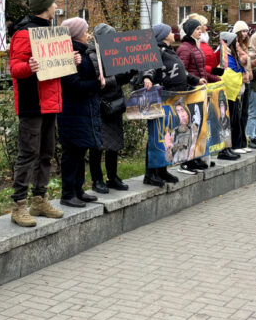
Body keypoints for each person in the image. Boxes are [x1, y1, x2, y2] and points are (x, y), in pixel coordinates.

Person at [7, 0, 68, 227]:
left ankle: (40, 199)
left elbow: (56, 68)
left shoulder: (50, 32)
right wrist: (29, 67)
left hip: (50, 103)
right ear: (45, 6)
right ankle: (19, 204)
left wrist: (70, 60)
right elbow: (14, 68)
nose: (56, 7)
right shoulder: (23, 33)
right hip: (32, 102)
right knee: (28, 154)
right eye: (53, 4)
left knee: (47, 153)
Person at [141, 23, 201, 187]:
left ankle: (162, 169)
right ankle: (150, 173)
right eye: (169, 31)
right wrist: (147, 78)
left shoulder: (169, 51)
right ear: (162, 35)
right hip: (163, 98)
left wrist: (195, 80)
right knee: (158, 135)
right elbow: (149, 66)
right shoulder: (157, 51)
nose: (172, 33)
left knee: (168, 135)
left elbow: (182, 71)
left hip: (174, 99)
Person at [57, 18, 102, 208]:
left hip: (82, 110)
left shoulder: (81, 53)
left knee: (80, 150)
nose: (88, 34)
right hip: (72, 111)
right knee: (72, 153)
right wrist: (97, 84)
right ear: (76, 34)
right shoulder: (69, 54)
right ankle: (68, 194)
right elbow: (73, 85)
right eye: (85, 31)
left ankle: (78, 190)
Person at [86, 23, 131, 192]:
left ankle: (113, 177)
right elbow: (100, 81)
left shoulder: (113, 53)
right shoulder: (92, 55)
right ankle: (97, 180)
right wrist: (118, 78)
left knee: (115, 144)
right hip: (101, 105)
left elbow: (120, 78)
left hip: (114, 104)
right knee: (97, 145)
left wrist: (129, 72)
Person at [176, 16, 218, 174]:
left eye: (201, 29)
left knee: (198, 126)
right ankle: (186, 162)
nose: (200, 31)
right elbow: (183, 71)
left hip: (199, 92)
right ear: (189, 31)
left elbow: (201, 69)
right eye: (197, 29)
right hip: (190, 92)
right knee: (190, 127)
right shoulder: (185, 48)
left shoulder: (195, 46)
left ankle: (195, 158)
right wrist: (194, 81)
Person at [226, 24, 252, 153]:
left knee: (243, 114)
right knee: (236, 116)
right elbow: (244, 61)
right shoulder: (233, 47)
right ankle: (236, 145)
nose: (245, 34)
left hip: (242, 82)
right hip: (233, 84)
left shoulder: (244, 46)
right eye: (242, 31)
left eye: (247, 31)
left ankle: (241, 143)